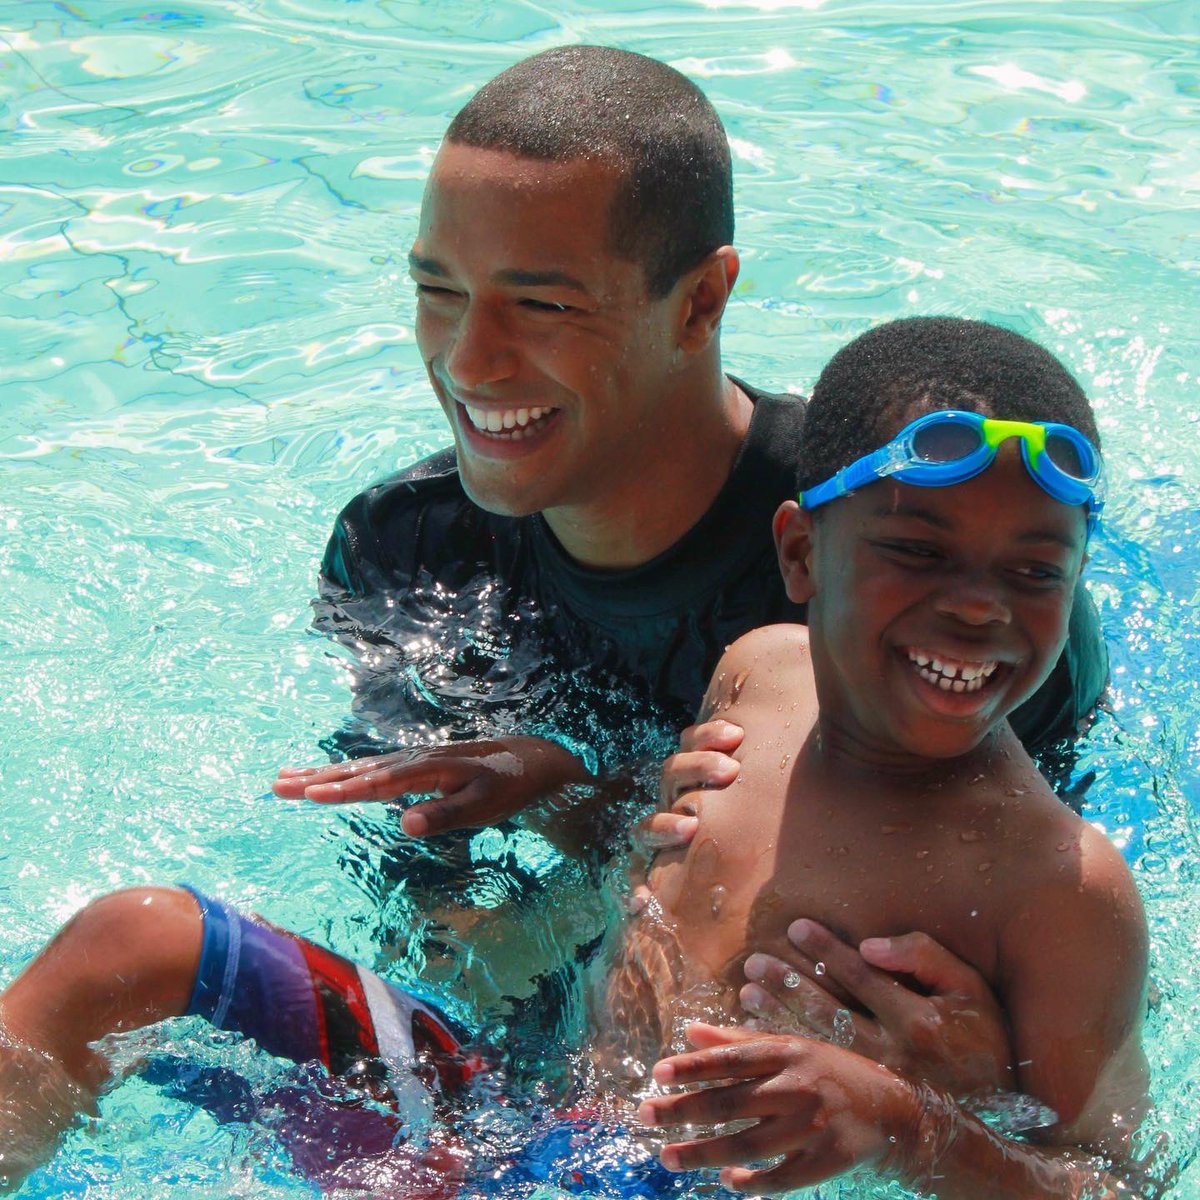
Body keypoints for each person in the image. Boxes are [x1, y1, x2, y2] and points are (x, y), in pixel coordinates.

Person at [0, 47, 1102, 1185]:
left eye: (542, 302)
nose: (467, 360)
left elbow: (997, 926)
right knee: (125, 943)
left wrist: (966, 1098)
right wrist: (583, 807)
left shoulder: (901, 569)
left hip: (710, 1137)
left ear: (704, 300)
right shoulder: (409, 552)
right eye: (438, 291)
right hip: (529, 1093)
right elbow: (440, 946)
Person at [606, 316, 1150, 1197]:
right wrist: (572, 797)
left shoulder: (1058, 889)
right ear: (799, 553)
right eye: (917, 551)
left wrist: (913, 1126)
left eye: (1036, 572)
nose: (978, 608)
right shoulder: (760, 672)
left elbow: (1120, 1183)